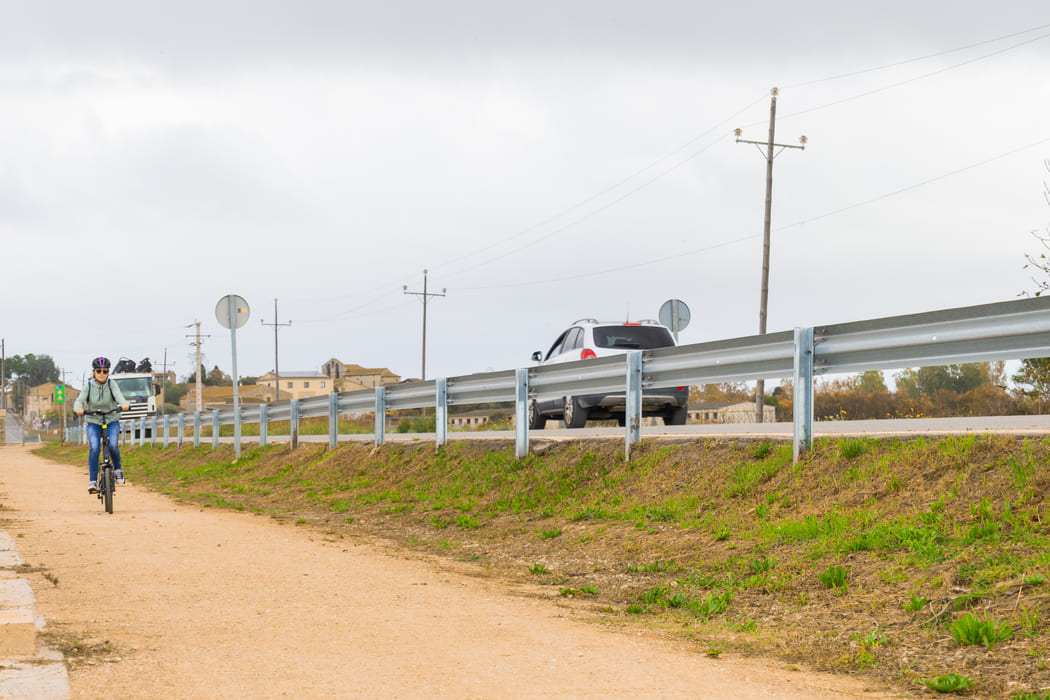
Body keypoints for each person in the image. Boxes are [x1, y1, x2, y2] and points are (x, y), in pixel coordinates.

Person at [73, 356, 130, 494]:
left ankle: (117, 470)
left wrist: (124, 404)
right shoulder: (89, 386)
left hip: (111, 420)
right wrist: (78, 408)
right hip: (93, 421)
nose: (102, 374)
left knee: (113, 445)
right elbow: (80, 400)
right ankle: (92, 481)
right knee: (94, 448)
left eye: (105, 371)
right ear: (94, 372)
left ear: (108, 372)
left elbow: (118, 395)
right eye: (99, 371)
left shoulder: (112, 384)